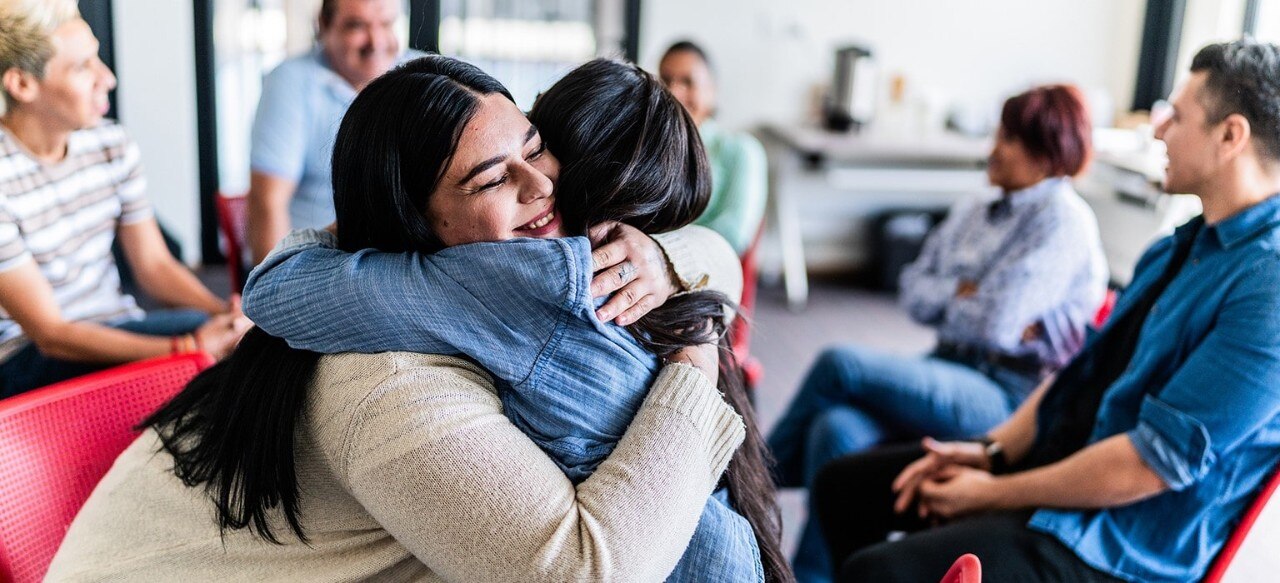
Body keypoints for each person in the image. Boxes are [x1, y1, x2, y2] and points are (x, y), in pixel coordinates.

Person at [48, 57, 773, 582]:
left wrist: (677, 258)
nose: (540, 185)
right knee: (710, 545)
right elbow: (584, 573)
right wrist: (694, 355)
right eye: (491, 179)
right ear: (415, 224)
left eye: (533, 149)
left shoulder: (468, 291)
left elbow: (715, 253)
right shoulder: (387, 380)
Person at [814, 39, 1280, 583]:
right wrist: (988, 453)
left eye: (1176, 116)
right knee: (842, 487)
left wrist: (994, 492)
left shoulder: (1266, 286)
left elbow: (1153, 464)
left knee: (879, 572)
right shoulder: (1179, 245)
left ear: (1230, 137)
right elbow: (1080, 376)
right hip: (1064, 465)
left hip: (1117, 541)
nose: (1158, 130)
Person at [766, 84, 1107, 582]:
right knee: (834, 429)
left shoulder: (1064, 221)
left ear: (1045, 154)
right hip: (946, 365)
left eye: (1009, 139)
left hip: (1009, 396)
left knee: (841, 364)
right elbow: (911, 288)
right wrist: (968, 293)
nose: (993, 148)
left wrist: (967, 297)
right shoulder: (976, 207)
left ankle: (749, 483)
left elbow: (997, 323)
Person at [0, 0, 250, 398]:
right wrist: (186, 350)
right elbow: (51, 334)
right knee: (220, 354)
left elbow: (153, 266)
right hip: (25, 359)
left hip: (116, 325)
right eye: (83, 67)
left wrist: (225, 313)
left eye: (97, 58)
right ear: (22, 85)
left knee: (240, 338)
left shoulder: (111, 143)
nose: (108, 78)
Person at [245, 0, 420, 265]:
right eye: (357, 26)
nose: (376, 41)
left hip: (407, 260)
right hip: (323, 263)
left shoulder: (424, 75)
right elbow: (267, 203)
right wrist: (273, 286)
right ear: (324, 25)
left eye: (386, 24)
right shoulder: (290, 81)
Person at [658, 40, 767, 254]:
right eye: (666, 80)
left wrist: (658, 249)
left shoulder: (741, 150)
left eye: (688, 82)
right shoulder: (648, 149)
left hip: (706, 266)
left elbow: (734, 235)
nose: (674, 93)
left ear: (712, 90)